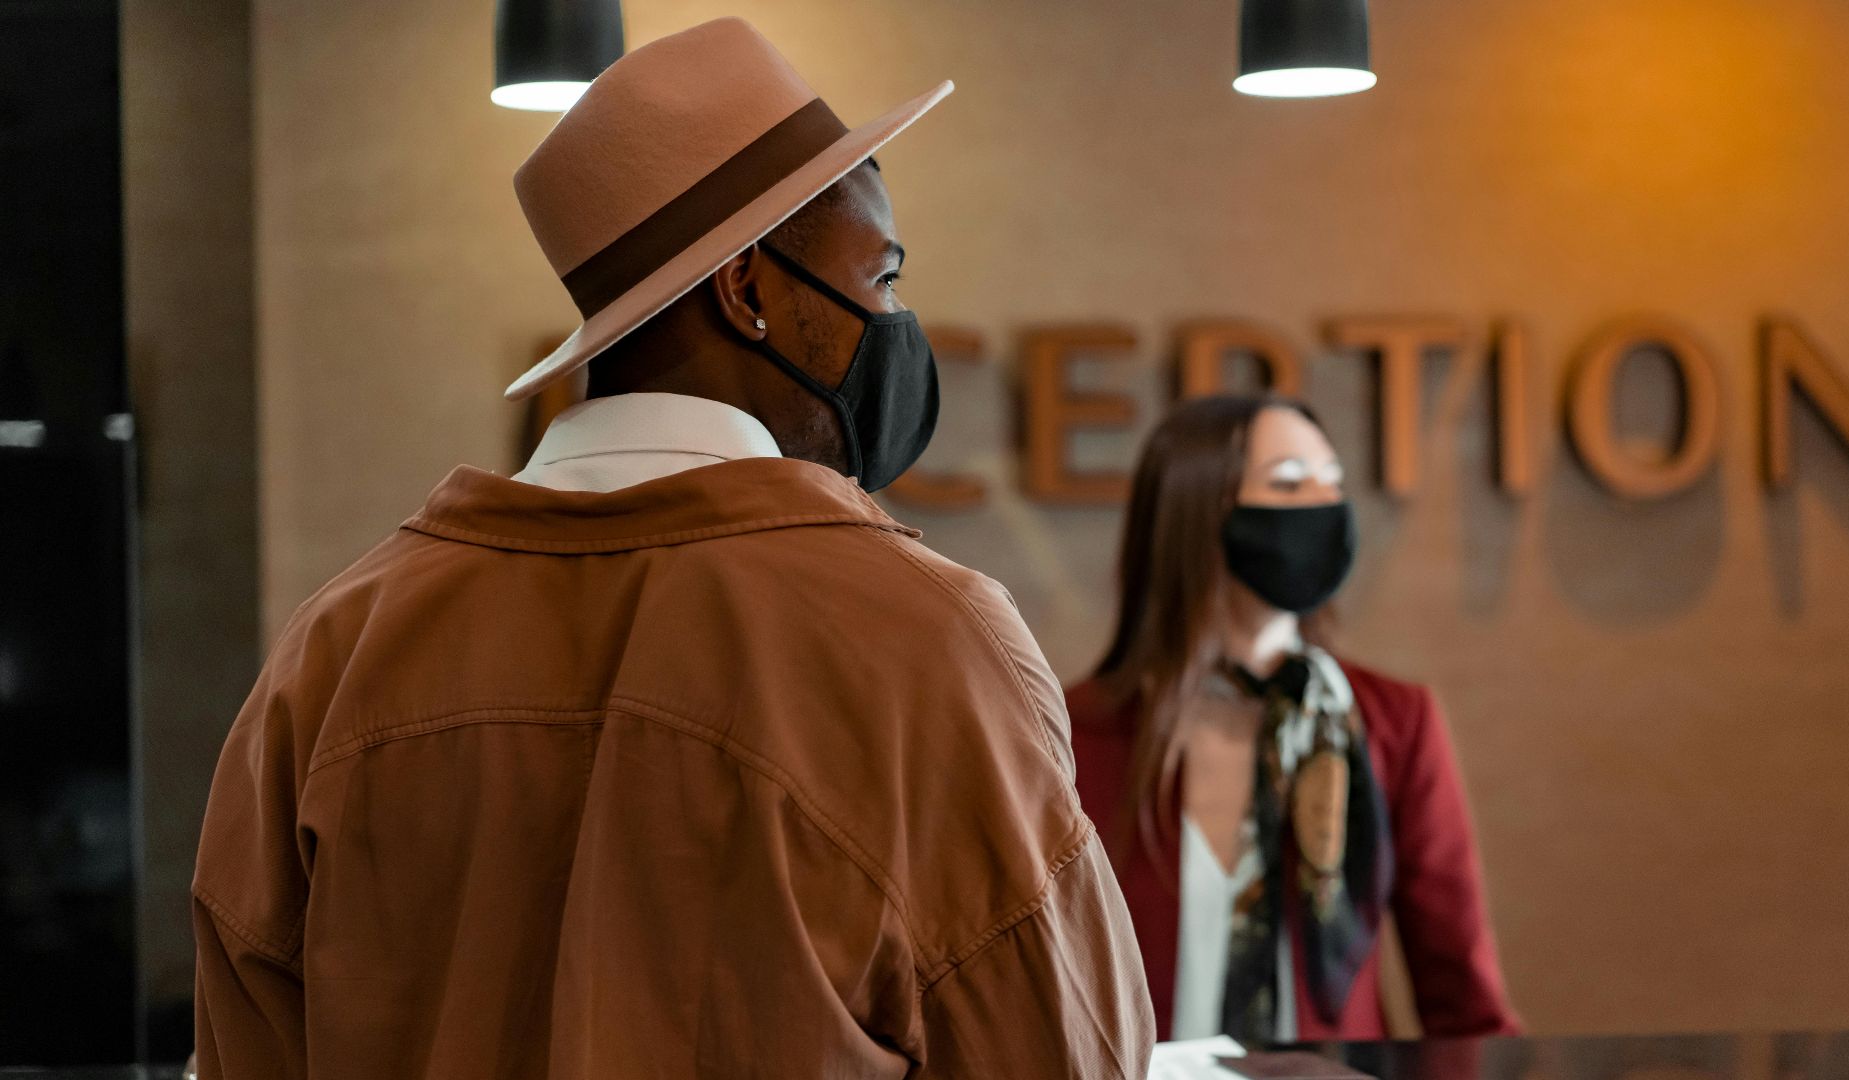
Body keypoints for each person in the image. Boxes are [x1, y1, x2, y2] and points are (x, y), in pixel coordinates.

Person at [191, 18, 1151, 1079]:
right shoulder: (926, 644)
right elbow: (1066, 1053)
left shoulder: (335, 652)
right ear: (747, 290)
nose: (897, 324)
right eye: (881, 281)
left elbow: (247, 1049)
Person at [1066, 394, 1518, 1045]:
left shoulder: (1392, 723)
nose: (1324, 505)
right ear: (1195, 509)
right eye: (1287, 483)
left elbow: (1464, 1001)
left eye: (1332, 483)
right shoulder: (1069, 735)